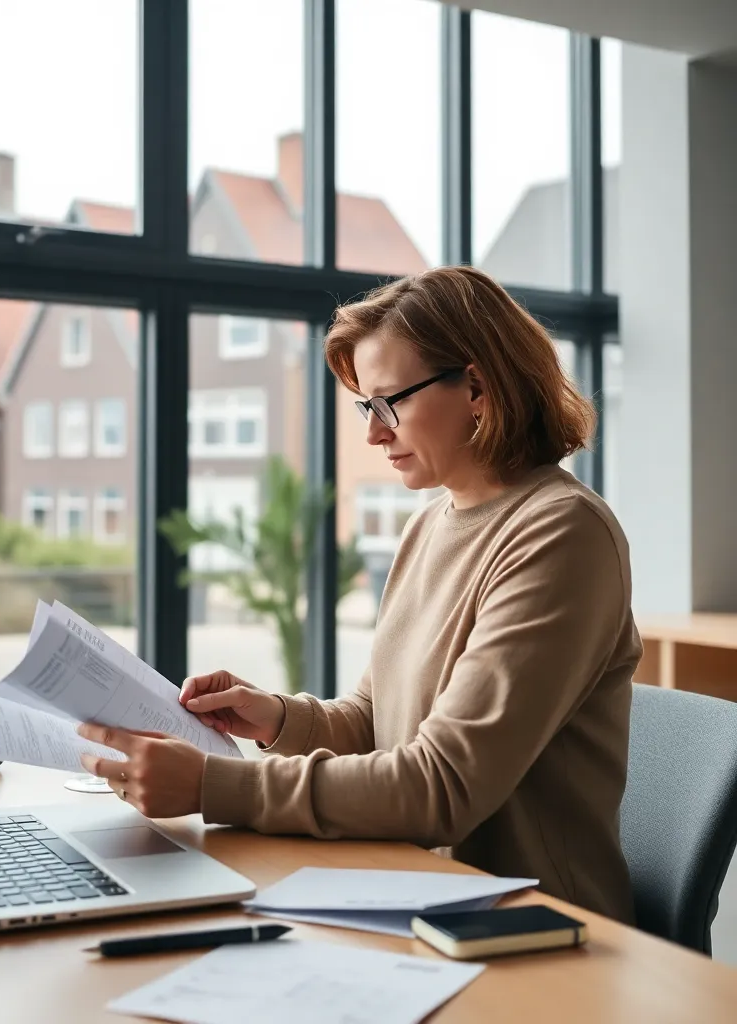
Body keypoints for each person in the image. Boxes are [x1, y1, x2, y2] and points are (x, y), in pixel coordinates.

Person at [78, 265, 642, 922]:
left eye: (388, 403)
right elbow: (377, 724)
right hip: (416, 895)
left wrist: (211, 784)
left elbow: (442, 786)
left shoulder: (561, 533)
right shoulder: (430, 524)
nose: (374, 433)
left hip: (534, 931)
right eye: (364, 408)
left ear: (478, 388)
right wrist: (278, 719)